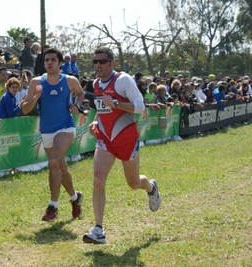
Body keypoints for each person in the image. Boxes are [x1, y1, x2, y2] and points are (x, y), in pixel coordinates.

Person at [82, 47, 161, 245]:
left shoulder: (123, 80)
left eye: (102, 61)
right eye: (95, 62)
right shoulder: (96, 84)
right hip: (105, 139)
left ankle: (151, 188)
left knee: (133, 183)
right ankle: (98, 229)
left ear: (111, 63)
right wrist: (95, 122)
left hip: (126, 138)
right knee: (98, 180)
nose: (98, 65)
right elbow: (102, 109)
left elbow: (140, 107)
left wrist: (116, 103)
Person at [21, 47, 85, 222]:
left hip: (66, 127)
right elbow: (25, 109)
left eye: (52, 60)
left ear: (60, 63)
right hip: (46, 130)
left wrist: (76, 106)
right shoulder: (36, 82)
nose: (49, 63)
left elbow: (80, 94)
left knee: (54, 162)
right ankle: (75, 198)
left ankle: (53, 206)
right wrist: (36, 97)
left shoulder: (70, 81)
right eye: (46, 60)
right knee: (60, 168)